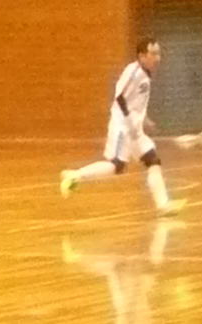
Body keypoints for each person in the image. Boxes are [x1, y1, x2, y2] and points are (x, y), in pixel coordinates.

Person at [60, 39, 186, 217]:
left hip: (135, 130)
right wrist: (129, 121)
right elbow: (119, 97)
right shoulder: (133, 72)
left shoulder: (146, 74)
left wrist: (144, 119)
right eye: (153, 54)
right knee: (116, 166)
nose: (158, 58)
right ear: (142, 56)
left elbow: (135, 101)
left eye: (159, 53)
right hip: (123, 128)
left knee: (153, 160)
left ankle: (163, 205)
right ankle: (75, 175)